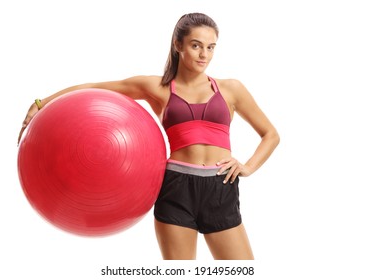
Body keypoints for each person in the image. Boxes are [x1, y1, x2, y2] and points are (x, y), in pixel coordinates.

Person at [18, 13, 279, 260]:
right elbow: (98, 88)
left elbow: (270, 134)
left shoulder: (231, 88)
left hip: (220, 186)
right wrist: (42, 103)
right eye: (196, 45)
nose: (204, 55)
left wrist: (247, 167)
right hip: (177, 188)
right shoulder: (159, 88)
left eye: (211, 47)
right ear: (178, 44)